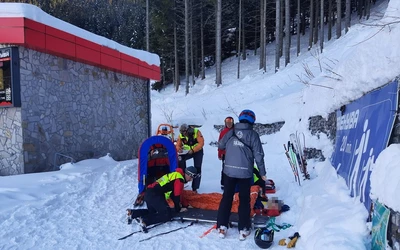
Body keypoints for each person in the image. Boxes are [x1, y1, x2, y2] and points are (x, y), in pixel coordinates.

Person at [216, 109, 267, 241]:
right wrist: (262, 173)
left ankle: (222, 227)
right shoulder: (253, 135)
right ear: (252, 121)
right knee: (244, 200)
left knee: (226, 198)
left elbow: (221, 144)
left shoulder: (231, 131)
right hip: (245, 173)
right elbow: (259, 156)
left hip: (228, 172)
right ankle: (243, 230)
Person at [132, 166, 198, 232]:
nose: (191, 180)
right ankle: (144, 221)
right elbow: (176, 196)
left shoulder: (175, 174)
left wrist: (185, 205)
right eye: (191, 177)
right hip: (154, 195)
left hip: (149, 192)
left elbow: (176, 194)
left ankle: (133, 213)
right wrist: (179, 209)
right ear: (187, 174)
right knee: (166, 214)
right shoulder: (179, 180)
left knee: (153, 212)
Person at [176, 123, 204, 192]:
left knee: (198, 168)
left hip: (197, 151)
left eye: (185, 132)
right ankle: (183, 180)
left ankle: (195, 187)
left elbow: (201, 143)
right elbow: (178, 145)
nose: (184, 134)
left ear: (188, 130)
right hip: (187, 151)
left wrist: (193, 150)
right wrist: (179, 149)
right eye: (182, 132)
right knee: (180, 160)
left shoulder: (196, 132)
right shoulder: (181, 136)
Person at [218, 116, 234, 190]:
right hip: (225, 154)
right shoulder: (223, 132)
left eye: (230, 122)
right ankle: (223, 183)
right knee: (225, 169)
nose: (229, 124)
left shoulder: (236, 131)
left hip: (234, 154)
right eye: (227, 122)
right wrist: (220, 153)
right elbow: (220, 143)